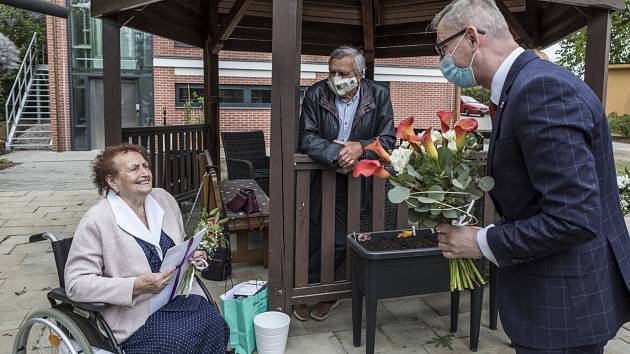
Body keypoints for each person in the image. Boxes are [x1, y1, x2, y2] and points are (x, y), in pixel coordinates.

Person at [432, 1, 630, 353]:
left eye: (443, 48)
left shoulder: (540, 90)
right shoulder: (524, 86)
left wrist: (480, 242)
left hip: (564, 309)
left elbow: (572, 217)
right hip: (559, 302)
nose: (443, 60)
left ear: (473, 38)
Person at [64, 144, 229, 353]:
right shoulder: (97, 220)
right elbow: (76, 284)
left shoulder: (164, 200)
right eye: (134, 169)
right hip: (135, 314)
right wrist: (135, 286)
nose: (144, 173)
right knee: (179, 340)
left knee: (214, 322)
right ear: (111, 180)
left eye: (145, 166)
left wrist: (193, 257)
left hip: (177, 298)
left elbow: (179, 245)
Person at [297, 46, 396, 321]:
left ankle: (318, 290)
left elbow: (387, 140)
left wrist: (359, 147)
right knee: (314, 236)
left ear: (360, 73)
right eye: (332, 72)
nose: (337, 78)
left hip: (357, 182)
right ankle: (311, 291)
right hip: (322, 176)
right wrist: (337, 154)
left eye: (344, 73)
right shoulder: (316, 94)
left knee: (341, 240)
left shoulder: (379, 95)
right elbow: (306, 137)